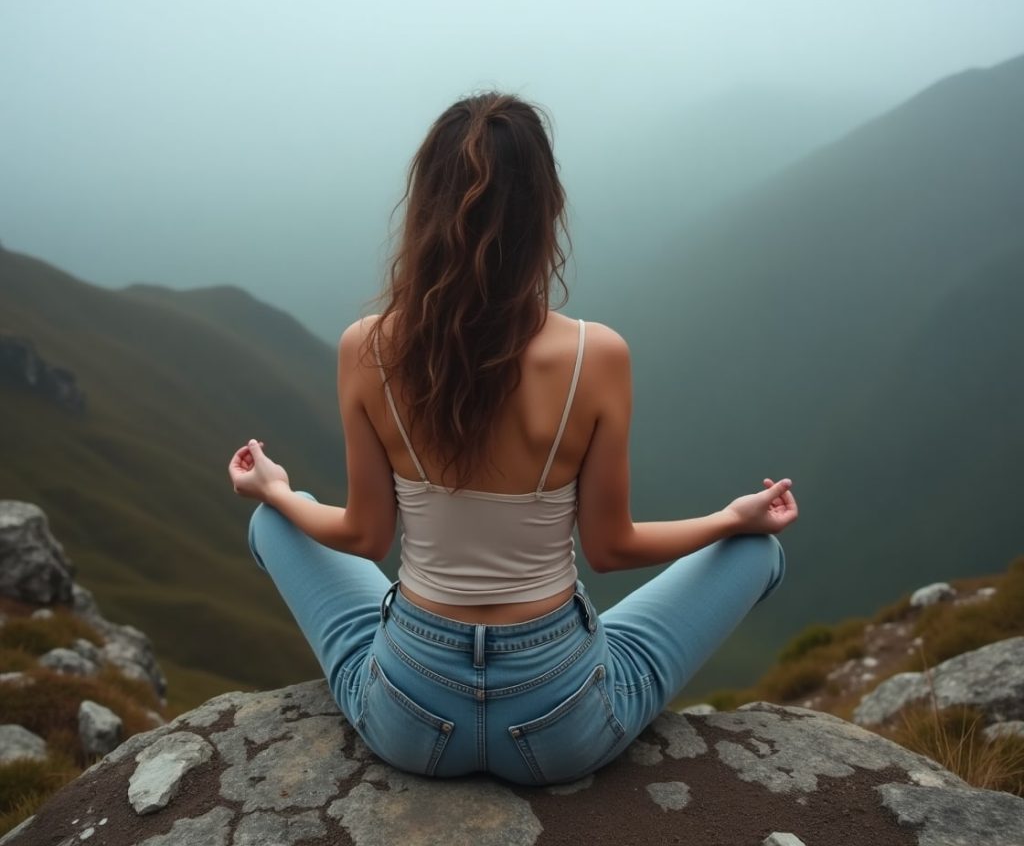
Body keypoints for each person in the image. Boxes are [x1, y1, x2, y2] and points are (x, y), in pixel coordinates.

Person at [228, 91, 797, 786]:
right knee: (755, 552)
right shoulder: (598, 355)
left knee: (273, 524)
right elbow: (611, 549)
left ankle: (304, 545)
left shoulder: (367, 348)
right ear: (546, 212)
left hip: (412, 719)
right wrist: (729, 519)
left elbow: (364, 537)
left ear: (425, 212)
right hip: (558, 722)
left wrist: (278, 492)